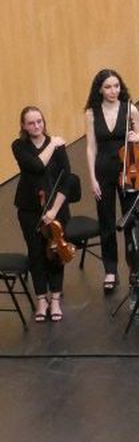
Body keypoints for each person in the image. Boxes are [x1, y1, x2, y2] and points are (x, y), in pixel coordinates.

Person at [83, 69, 139, 293]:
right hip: (103, 170)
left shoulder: (130, 109)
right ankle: (110, 269)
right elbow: (91, 147)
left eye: (116, 86)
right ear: (99, 89)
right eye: (108, 87)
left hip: (128, 168)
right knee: (106, 221)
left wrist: (135, 137)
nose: (113, 91)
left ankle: (135, 268)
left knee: (130, 220)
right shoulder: (91, 113)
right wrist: (92, 179)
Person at [13, 107, 73, 323]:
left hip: (56, 209)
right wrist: (52, 144)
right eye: (31, 123)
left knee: (56, 252)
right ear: (23, 126)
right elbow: (37, 166)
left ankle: (55, 298)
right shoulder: (19, 146)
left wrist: (54, 211)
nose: (37, 126)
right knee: (36, 252)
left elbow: (67, 180)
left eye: (39, 121)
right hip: (29, 210)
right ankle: (41, 299)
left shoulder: (59, 146)